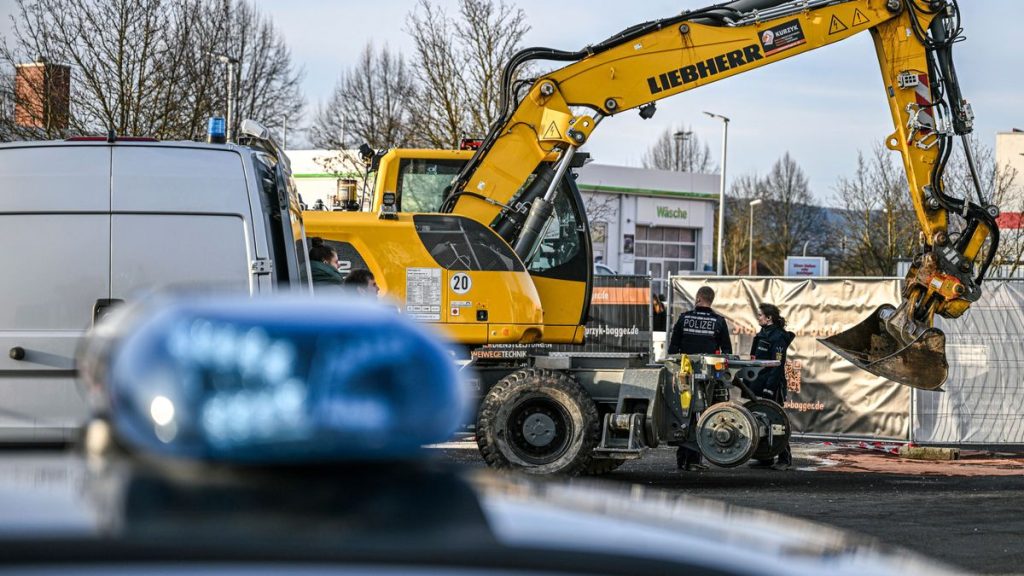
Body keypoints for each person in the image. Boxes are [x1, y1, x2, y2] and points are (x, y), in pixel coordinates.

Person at [667, 286, 733, 472]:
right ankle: (694, 459)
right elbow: (727, 351)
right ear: (711, 300)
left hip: (684, 376)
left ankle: (682, 459)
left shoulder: (684, 318)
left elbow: (673, 349)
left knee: (683, 414)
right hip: (708, 379)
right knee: (702, 416)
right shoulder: (718, 321)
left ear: (697, 299)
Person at [748, 302, 796, 471]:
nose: (758, 317)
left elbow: (777, 364)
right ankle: (766, 457)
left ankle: (785, 459)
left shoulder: (778, 336)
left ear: (769, 318)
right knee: (761, 420)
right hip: (759, 384)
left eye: (760, 315)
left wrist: (770, 388)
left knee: (777, 420)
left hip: (773, 385)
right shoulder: (762, 334)